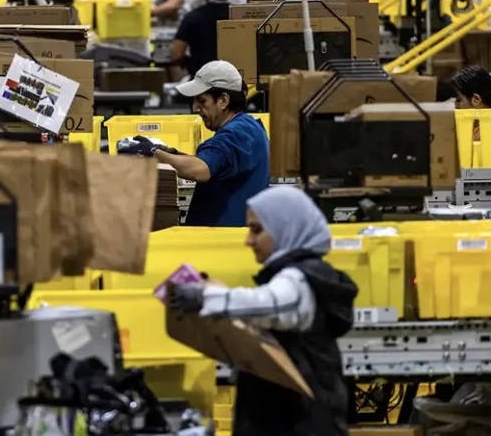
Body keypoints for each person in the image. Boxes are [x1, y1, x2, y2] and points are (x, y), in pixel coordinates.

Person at [170, 186, 359, 436]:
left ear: (286, 228)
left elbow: (271, 304)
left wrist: (205, 297)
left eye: (257, 230)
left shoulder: (301, 278)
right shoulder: (294, 276)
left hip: (300, 423)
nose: (248, 241)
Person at [124, 61, 269, 227]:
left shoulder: (236, 134)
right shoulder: (248, 127)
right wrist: (171, 153)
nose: (195, 108)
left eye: (201, 101)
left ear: (223, 100)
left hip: (219, 243)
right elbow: (216, 164)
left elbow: (200, 170)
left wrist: (152, 152)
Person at [170, 0, 231, 78]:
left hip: (201, 83)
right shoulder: (240, 16)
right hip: (236, 82)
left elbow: (176, 54)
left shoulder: (192, 18)